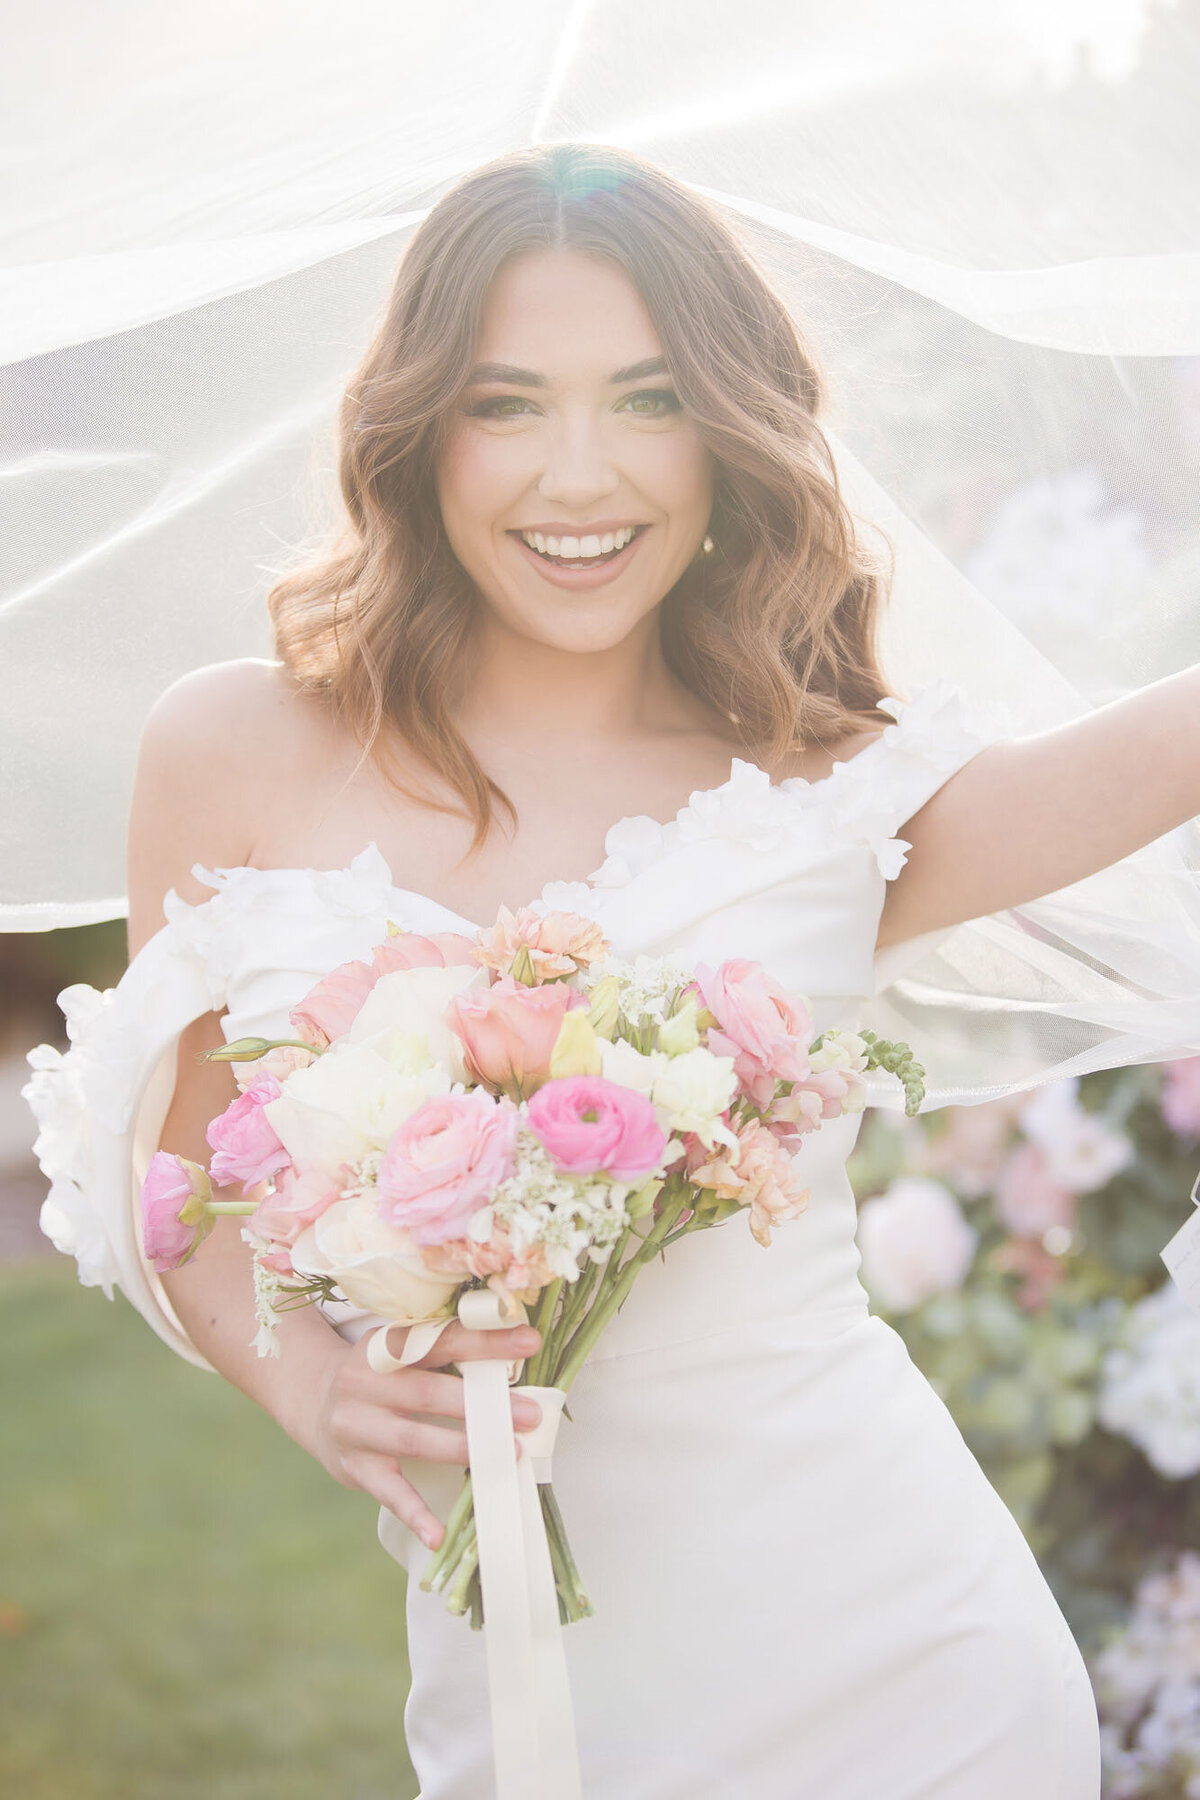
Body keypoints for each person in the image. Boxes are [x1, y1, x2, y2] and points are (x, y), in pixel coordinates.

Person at [43, 140, 1200, 1796]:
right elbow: (155, 1172)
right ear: (419, 432)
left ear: (731, 433)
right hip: (531, 1684)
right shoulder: (235, 750)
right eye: (507, 403)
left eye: (648, 399)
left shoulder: (831, 792)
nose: (578, 476)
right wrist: (310, 1387)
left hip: (906, 1659)